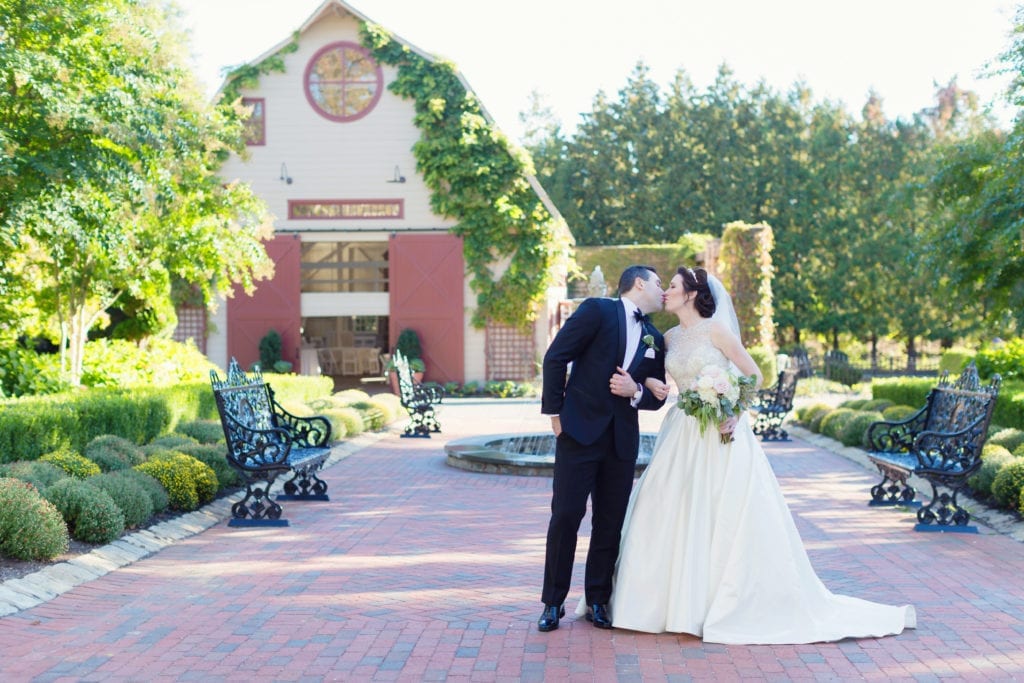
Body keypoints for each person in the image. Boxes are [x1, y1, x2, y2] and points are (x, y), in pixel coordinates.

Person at [603, 266, 916, 643]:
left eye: (672, 286)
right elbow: (661, 379)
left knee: (721, 511)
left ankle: (714, 603)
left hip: (719, 432)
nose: (666, 292)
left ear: (690, 294)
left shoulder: (716, 330)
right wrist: (650, 382)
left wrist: (732, 411)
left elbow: (754, 375)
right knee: (669, 507)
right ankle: (662, 603)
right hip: (682, 430)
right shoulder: (668, 337)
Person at [537, 265, 668, 632]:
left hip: (621, 442)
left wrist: (638, 391)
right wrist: (554, 414)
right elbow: (556, 357)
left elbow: (655, 397)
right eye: (660, 283)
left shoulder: (654, 337)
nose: (663, 291)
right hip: (578, 434)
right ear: (639, 283)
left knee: (610, 524)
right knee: (565, 516)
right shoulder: (597, 310)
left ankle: (597, 599)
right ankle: (552, 602)